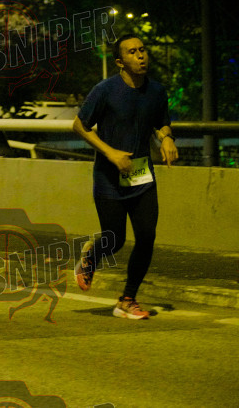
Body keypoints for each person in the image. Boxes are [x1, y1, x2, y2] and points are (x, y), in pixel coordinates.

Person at [72, 34, 178, 320]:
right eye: (132, 52)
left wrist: (167, 138)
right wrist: (111, 153)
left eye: (142, 50)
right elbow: (79, 126)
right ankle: (91, 257)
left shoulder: (156, 91)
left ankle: (127, 300)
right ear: (120, 62)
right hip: (109, 175)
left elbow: (162, 122)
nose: (140, 55)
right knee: (115, 239)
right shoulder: (105, 90)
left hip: (141, 173)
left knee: (146, 236)